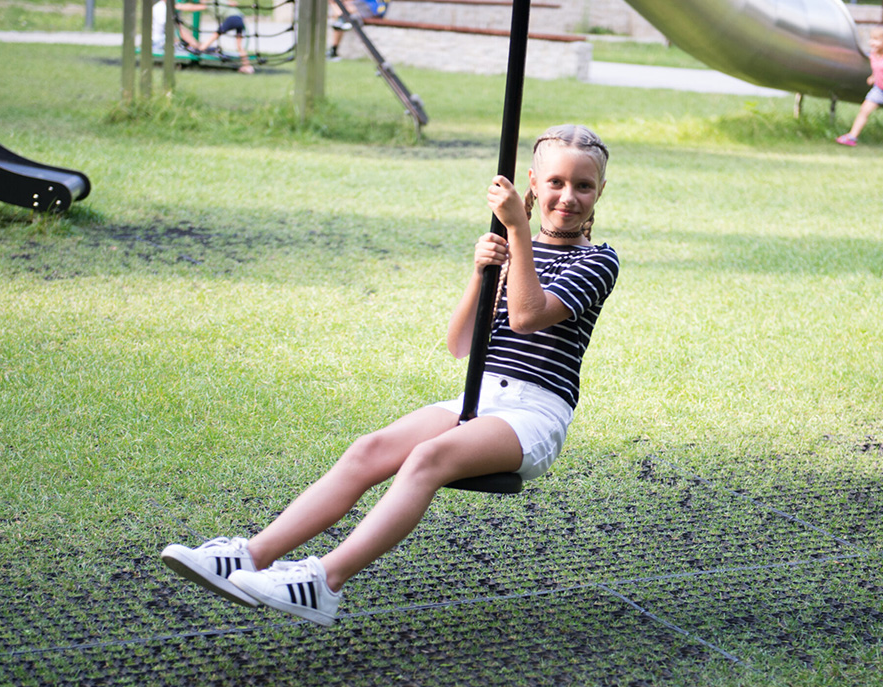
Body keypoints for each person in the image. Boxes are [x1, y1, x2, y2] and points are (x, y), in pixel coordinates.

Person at [160, 125, 619, 627]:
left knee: (427, 457)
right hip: (481, 395)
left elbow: (529, 316)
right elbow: (462, 345)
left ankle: (324, 582)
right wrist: (482, 273)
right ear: (532, 182)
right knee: (369, 449)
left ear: (599, 191)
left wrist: (518, 234)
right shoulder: (511, 252)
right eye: (556, 182)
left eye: (583, 186)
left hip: (533, 412)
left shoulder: (597, 260)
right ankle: (251, 556)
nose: (568, 197)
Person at [172, 0, 255, 74]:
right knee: (239, 46)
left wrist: (179, 6)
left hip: (232, 19)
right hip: (240, 19)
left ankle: (200, 49)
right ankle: (247, 66)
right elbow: (231, 3)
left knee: (216, 34)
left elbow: (194, 7)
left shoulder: (211, 3)